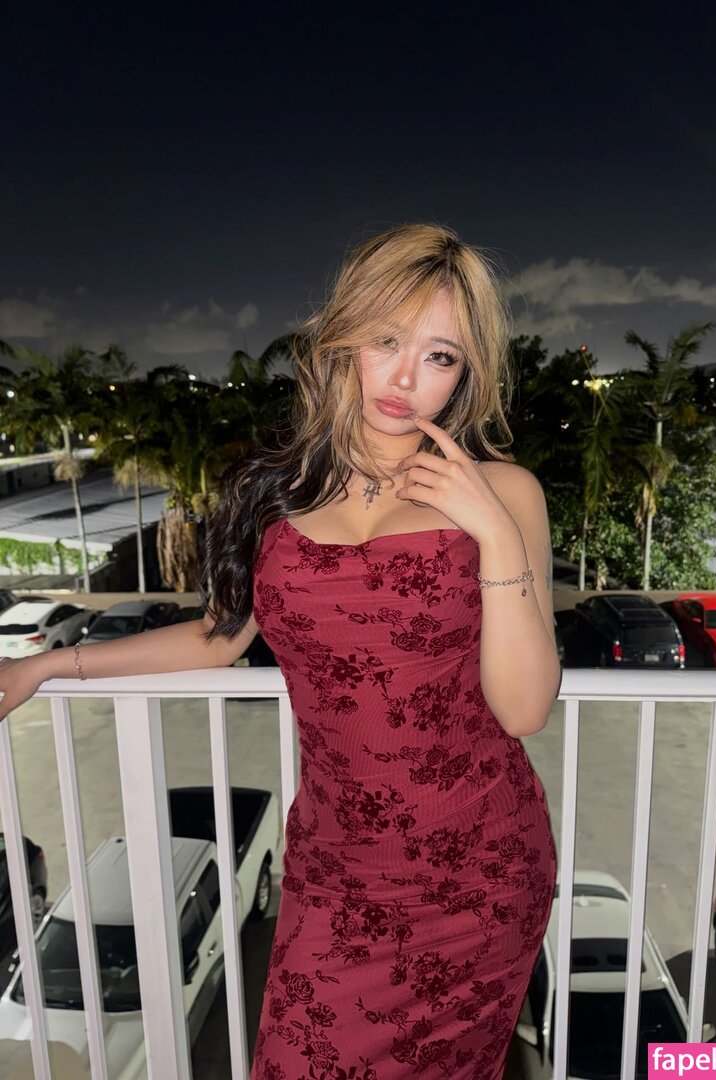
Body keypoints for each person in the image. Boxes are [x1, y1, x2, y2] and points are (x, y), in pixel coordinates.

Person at [0, 223, 560, 1079]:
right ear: (344, 339)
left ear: (467, 373)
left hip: (478, 877)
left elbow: (522, 709)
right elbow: (219, 637)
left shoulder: (506, 492)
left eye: (440, 356)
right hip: (336, 871)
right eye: (386, 341)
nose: (405, 378)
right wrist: (44, 664)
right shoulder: (277, 493)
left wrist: (493, 531)